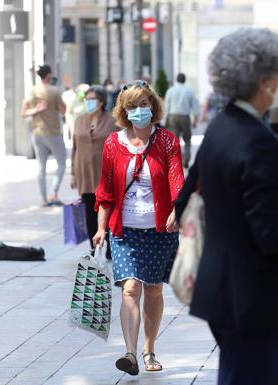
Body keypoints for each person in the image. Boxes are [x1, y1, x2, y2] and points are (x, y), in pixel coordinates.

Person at [176, 28, 278, 385]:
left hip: (227, 292)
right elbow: (268, 232)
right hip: (253, 296)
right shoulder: (255, 139)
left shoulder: (221, 126)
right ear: (264, 82)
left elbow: (186, 196)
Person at [93, 80, 184, 376]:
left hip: (159, 229)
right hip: (125, 229)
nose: (139, 110)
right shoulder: (112, 144)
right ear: (124, 111)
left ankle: (149, 349)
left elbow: (177, 182)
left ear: (153, 107)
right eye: (132, 106)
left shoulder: (167, 141)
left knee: (154, 291)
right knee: (130, 289)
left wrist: (175, 211)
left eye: (144, 104)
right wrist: (101, 228)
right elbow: (105, 190)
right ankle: (130, 353)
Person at [71, 86, 118, 258]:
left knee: (108, 209)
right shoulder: (79, 121)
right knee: (90, 211)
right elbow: (74, 148)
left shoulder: (112, 122)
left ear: (102, 102)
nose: (89, 103)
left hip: (105, 172)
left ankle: (111, 249)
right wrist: (72, 173)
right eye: (87, 99)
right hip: (84, 172)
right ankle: (94, 246)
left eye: (92, 99)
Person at [22, 64, 67, 207]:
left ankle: (43, 198)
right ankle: (53, 193)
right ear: (49, 75)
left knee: (41, 166)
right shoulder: (54, 91)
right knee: (61, 163)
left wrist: (36, 109)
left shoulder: (32, 92)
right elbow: (63, 110)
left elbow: (24, 113)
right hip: (53, 133)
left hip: (37, 133)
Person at [164, 73, 199, 168]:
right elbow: (195, 105)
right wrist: (195, 118)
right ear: (185, 80)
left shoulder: (171, 90)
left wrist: (165, 119)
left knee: (175, 140)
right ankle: (186, 157)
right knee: (187, 139)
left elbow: (166, 105)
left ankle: (178, 159)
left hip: (173, 117)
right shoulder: (189, 91)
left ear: (176, 80)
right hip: (185, 117)